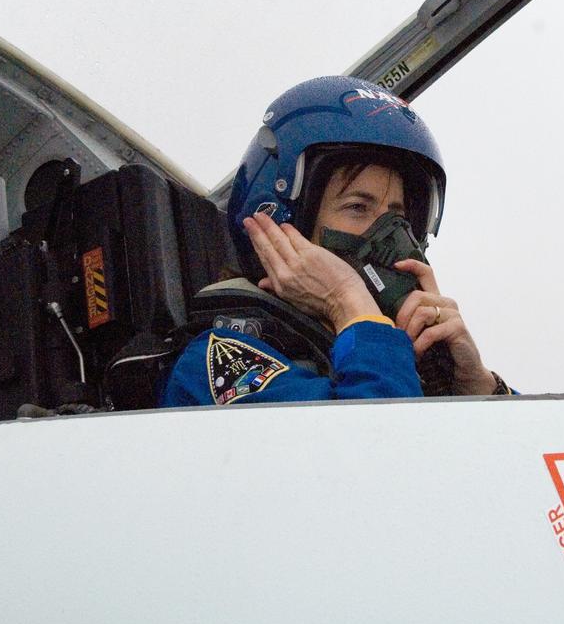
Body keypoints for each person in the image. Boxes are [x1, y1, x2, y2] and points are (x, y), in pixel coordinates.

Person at [159, 75, 510, 407]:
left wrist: (475, 386)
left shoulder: (390, 363)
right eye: (358, 207)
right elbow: (379, 450)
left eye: (398, 216)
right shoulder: (216, 366)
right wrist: (348, 302)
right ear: (285, 224)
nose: (392, 234)